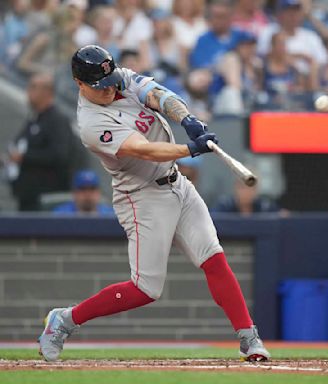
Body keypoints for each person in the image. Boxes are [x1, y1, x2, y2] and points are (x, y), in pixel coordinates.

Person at [37, 45, 270, 363]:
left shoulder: (121, 79)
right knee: (145, 289)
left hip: (178, 185)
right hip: (142, 196)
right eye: (99, 86)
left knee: (214, 259)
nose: (109, 89)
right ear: (80, 83)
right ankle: (64, 320)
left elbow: (160, 96)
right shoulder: (91, 123)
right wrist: (190, 148)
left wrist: (187, 119)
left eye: (110, 81)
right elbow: (144, 150)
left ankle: (249, 338)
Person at [9, 72, 73, 211]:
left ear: (47, 91)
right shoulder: (34, 119)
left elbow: (59, 155)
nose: (28, 91)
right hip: (27, 194)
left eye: (33, 87)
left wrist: (24, 157)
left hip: (45, 197)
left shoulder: (56, 120)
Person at [189, 0, 247, 70]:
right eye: (215, 16)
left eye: (222, 16)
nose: (219, 21)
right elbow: (200, 66)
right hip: (214, 78)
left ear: (230, 17)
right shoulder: (203, 41)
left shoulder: (242, 36)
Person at [213, 180, 279, 215]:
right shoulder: (224, 207)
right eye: (242, 187)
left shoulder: (265, 207)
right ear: (235, 187)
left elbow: (281, 216)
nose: (247, 191)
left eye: (251, 187)